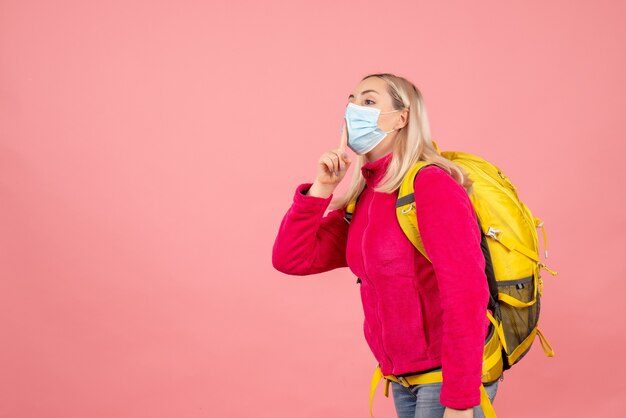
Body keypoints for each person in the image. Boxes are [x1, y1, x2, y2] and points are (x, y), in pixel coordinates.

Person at [271, 73, 499, 418]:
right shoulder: (364, 197)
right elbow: (291, 258)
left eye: (368, 101)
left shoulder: (431, 185)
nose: (353, 109)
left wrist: (461, 399)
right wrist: (321, 187)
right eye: (351, 100)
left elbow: (466, 293)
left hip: (448, 380)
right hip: (404, 381)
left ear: (401, 118)